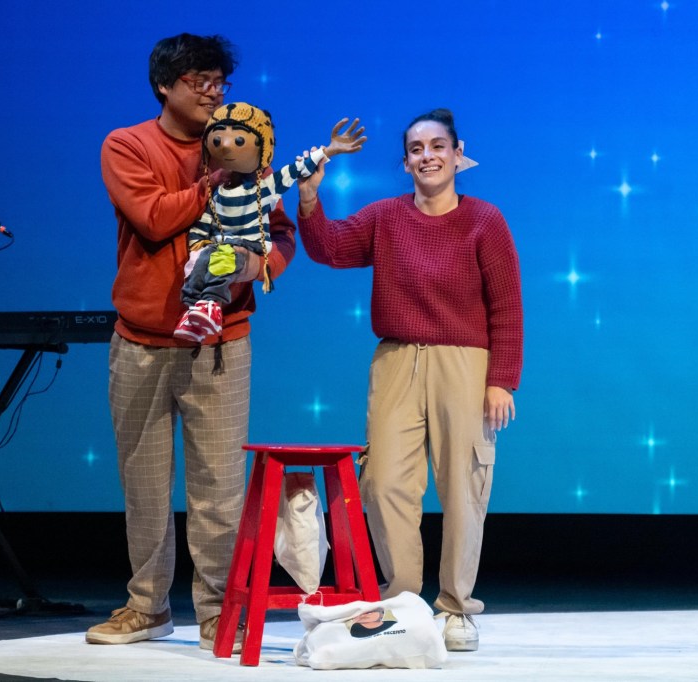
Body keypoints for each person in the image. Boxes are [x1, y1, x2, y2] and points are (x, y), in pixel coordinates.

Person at [86, 33, 292, 652]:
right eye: (199, 82)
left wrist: (259, 266)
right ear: (164, 86)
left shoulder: (244, 142)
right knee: (145, 486)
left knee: (219, 489)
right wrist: (219, 178)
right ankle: (147, 606)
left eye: (219, 82)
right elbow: (153, 218)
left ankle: (218, 613)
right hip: (142, 342)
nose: (213, 93)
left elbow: (279, 233)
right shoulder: (128, 144)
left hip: (221, 343)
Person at [296, 108, 523, 652]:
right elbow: (329, 247)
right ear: (405, 163)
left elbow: (507, 304)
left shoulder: (484, 220)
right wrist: (308, 196)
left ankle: (456, 608)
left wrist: (501, 380)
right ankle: (403, 604)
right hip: (397, 360)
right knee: (382, 482)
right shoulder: (386, 217)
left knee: (463, 486)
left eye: (438, 146)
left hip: (464, 363)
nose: (428, 156)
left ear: (457, 154)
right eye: (417, 149)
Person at [174, 105, 366, 342]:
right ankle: (193, 308)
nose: (226, 146)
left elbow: (294, 170)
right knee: (201, 261)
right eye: (218, 139)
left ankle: (211, 304)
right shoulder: (218, 191)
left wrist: (329, 150)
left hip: (249, 244)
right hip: (221, 242)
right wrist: (197, 242)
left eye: (239, 140)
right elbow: (207, 219)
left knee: (224, 259)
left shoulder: (264, 187)